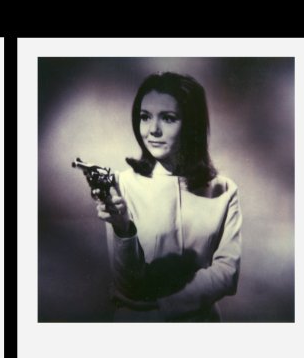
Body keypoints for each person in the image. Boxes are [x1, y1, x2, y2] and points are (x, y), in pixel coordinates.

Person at [94, 72, 241, 321]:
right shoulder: (122, 185)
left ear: (191, 124)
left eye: (168, 118)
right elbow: (127, 283)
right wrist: (123, 228)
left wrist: (164, 304)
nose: (153, 130)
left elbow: (228, 272)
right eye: (145, 117)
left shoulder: (224, 190)